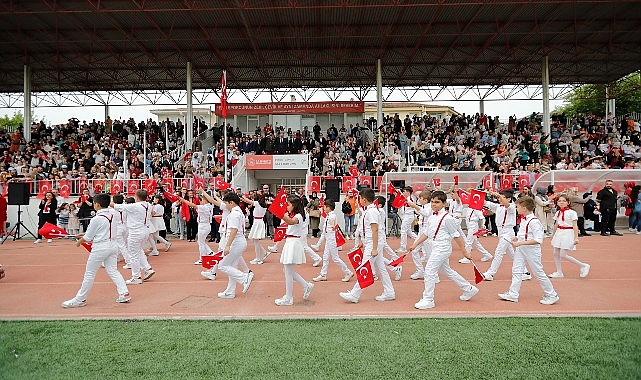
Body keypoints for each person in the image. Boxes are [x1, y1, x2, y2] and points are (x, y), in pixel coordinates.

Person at [409, 190, 478, 310]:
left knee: (429, 271)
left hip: (443, 248)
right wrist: (415, 244)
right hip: (435, 246)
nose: (434, 204)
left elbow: (456, 236)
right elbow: (426, 233)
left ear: (444, 203)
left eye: (437, 202)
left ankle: (428, 299)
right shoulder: (431, 217)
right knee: (447, 271)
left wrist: (465, 251)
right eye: (432, 202)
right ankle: (469, 288)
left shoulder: (447, 218)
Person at [61, 193, 131, 308]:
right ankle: (124, 293)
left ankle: (80, 298)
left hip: (100, 247)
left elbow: (88, 237)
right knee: (113, 271)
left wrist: (79, 242)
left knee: (89, 273)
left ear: (97, 204)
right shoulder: (113, 214)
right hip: (113, 245)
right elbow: (98, 231)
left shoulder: (96, 219)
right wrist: (84, 235)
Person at [498, 196, 560, 305]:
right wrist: (517, 238)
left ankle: (551, 294)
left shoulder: (534, 221)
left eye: (518, 207)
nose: (516, 209)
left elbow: (538, 239)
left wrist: (520, 242)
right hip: (521, 249)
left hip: (531, 250)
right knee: (516, 271)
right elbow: (525, 235)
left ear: (524, 208)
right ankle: (513, 294)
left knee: (538, 272)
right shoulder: (524, 219)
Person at [339, 188, 395, 304]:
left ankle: (355, 294)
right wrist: (362, 242)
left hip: (373, 243)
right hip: (370, 242)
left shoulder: (372, 211)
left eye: (360, 198)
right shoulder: (369, 211)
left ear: (364, 199)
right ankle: (389, 291)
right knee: (381, 268)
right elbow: (368, 229)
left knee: (364, 267)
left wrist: (374, 248)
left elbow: (375, 229)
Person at [482, 189, 531, 281]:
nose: (500, 199)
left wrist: (498, 195)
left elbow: (507, 205)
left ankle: (490, 273)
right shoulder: (498, 206)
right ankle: (525, 272)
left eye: (503, 197)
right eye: (500, 197)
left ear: (509, 199)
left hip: (508, 232)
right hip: (502, 232)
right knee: (513, 255)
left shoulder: (512, 207)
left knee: (498, 253)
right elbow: (485, 202)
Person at [275, 195, 314, 306]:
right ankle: (305, 285)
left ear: (294, 205)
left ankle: (289, 297)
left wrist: (281, 213)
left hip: (293, 243)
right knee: (287, 271)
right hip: (290, 242)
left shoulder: (298, 216)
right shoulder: (293, 214)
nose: (287, 206)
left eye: (288, 204)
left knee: (288, 271)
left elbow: (292, 222)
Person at [112, 189, 155, 285]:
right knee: (138, 250)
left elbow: (116, 206)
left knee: (133, 255)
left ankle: (136, 277)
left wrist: (106, 201)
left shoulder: (135, 206)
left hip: (136, 231)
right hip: (145, 230)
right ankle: (148, 268)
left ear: (137, 197)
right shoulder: (148, 205)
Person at [216, 192, 254, 299]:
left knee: (222, 265)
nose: (225, 206)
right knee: (232, 266)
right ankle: (230, 291)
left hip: (235, 243)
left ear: (231, 203)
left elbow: (233, 230)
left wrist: (227, 246)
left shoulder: (234, 214)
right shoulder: (237, 212)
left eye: (226, 203)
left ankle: (244, 278)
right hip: (239, 242)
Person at [547, 194, 591, 278]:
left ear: (568, 202)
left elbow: (575, 225)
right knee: (555, 253)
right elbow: (556, 224)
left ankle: (583, 265)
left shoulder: (572, 212)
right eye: (559, 201)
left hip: (567, 232)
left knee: (563, 254)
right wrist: (553, 235)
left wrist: (576, 237)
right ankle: (559, 272)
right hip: (559, 233)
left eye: (564, 201)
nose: (561, 202)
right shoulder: (558, 212)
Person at [311, 199, 353, 282]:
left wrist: (333, 226)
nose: (323, 208)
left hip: (331, 240)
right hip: (329, 240)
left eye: (325, 207)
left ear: (328, 207)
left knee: (335, 258)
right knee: (325, 257)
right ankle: (323, 274)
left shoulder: (332, 216)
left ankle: (348, 272)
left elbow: (333, 223)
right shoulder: (329, 215)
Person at [180, 190, 214, 265]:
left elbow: (193, 205)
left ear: (205, 200)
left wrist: (184, 200)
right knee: (201, 241)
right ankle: (209, 252)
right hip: (206, 225)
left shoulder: (204, 207)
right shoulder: (210, 206)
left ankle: (202, 258)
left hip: (203, 225)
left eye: (201, 200)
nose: (200, 202)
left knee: (201, 243)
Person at [241, 192, 269, 264]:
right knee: (254, 240)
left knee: (255, 240)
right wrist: (242, 198)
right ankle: (263, 253)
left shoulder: (257, 203)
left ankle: (258, 258)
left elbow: (248, 201)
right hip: (258, 221)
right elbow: (247, 201)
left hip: (257, 222)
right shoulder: (263, 204)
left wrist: (243, 196)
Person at [397, 186, 418, 253]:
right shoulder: (408, 198)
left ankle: (403, 247)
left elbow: (409, 203)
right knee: (409, 232)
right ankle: (419, 242)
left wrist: (400, 193)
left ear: (408, 192)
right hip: (407, 216)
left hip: (408, 216)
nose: (403, 193)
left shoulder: (410, 198)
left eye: (404, 191)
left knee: (403, 231)